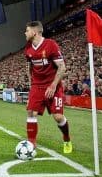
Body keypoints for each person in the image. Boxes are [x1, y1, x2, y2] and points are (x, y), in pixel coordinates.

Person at [23, 21, 72, 154]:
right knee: (30, 112)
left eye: (27, 31)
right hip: (37, 86)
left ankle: (67, 138)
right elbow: (29, 67)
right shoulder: (28, 47)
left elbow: (62, 67)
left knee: (58, 117)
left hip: (53, 85)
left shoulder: (50, 45)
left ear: (34, 32)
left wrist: (53, 85)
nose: (25, 33)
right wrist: (31, 85)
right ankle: (31, 143)